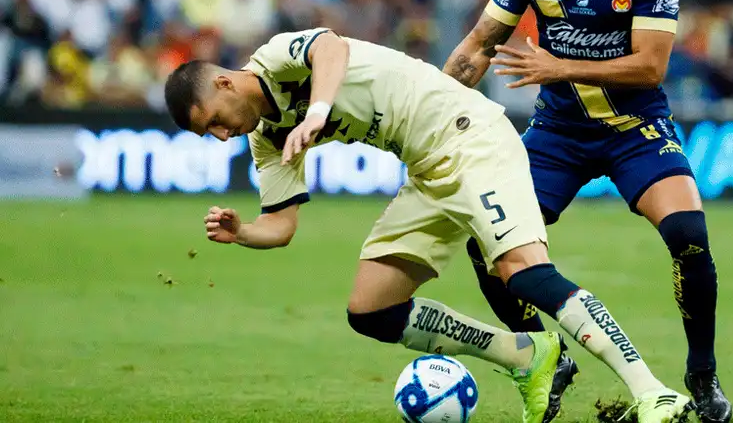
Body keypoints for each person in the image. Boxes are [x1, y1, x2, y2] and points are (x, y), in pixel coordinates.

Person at [163, 27, 694, 423]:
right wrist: (244, 232)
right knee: (369, 309)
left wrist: (318, 110)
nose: (220, 136)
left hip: (469, 137)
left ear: (227, 82)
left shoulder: (277, 58)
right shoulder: (267, 140)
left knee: (522, 271)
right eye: (206, 135)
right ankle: (529, 356)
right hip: (426, 170)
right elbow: (280, 226)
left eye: (212, 120)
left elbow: (331, 48)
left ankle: (651, 389)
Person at [442, 0, 732, 423]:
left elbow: (650, 66)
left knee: (689, 235)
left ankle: (701, 373)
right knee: (485, 245)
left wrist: (560, 68)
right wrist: (430, 107)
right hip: (558, 134)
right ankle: (543, 352)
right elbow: (477, 48)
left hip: (635, 128)